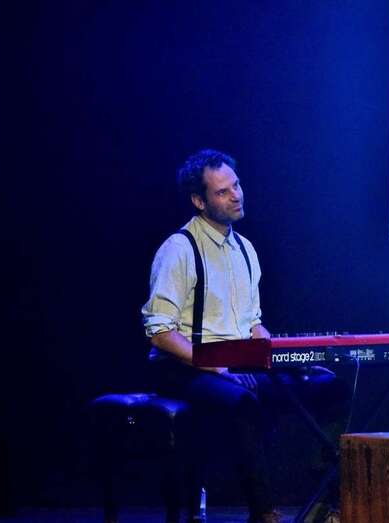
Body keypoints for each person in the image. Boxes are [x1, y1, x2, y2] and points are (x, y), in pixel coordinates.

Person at [142, 149, 347, 523]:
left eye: (236, 185)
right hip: (184, 367)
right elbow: (160, 332)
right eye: (222, 192)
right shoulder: (179, 249)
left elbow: (252, 323)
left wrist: (279, 355)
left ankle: (327, 499)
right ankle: (264, 513)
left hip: (236, 362)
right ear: (199, 201)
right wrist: (210, 364)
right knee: (242, 402)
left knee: (329, 387)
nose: (236, 195)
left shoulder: (246, 249)